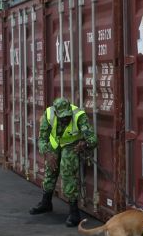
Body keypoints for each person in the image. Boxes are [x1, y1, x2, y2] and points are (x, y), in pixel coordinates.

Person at [29, 97, 97, 227]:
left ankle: (74, 212)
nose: (66, 119)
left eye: (67, 116)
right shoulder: (49, 114)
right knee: (50, 170)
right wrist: (47, 153)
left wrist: (85, 144)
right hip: (55, 145)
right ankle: (46, 202)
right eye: (62, 117)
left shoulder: (79, 115)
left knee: (67, 171)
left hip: (71, 146)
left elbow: (93, 138)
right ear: (56, 113)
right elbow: (42, 139)